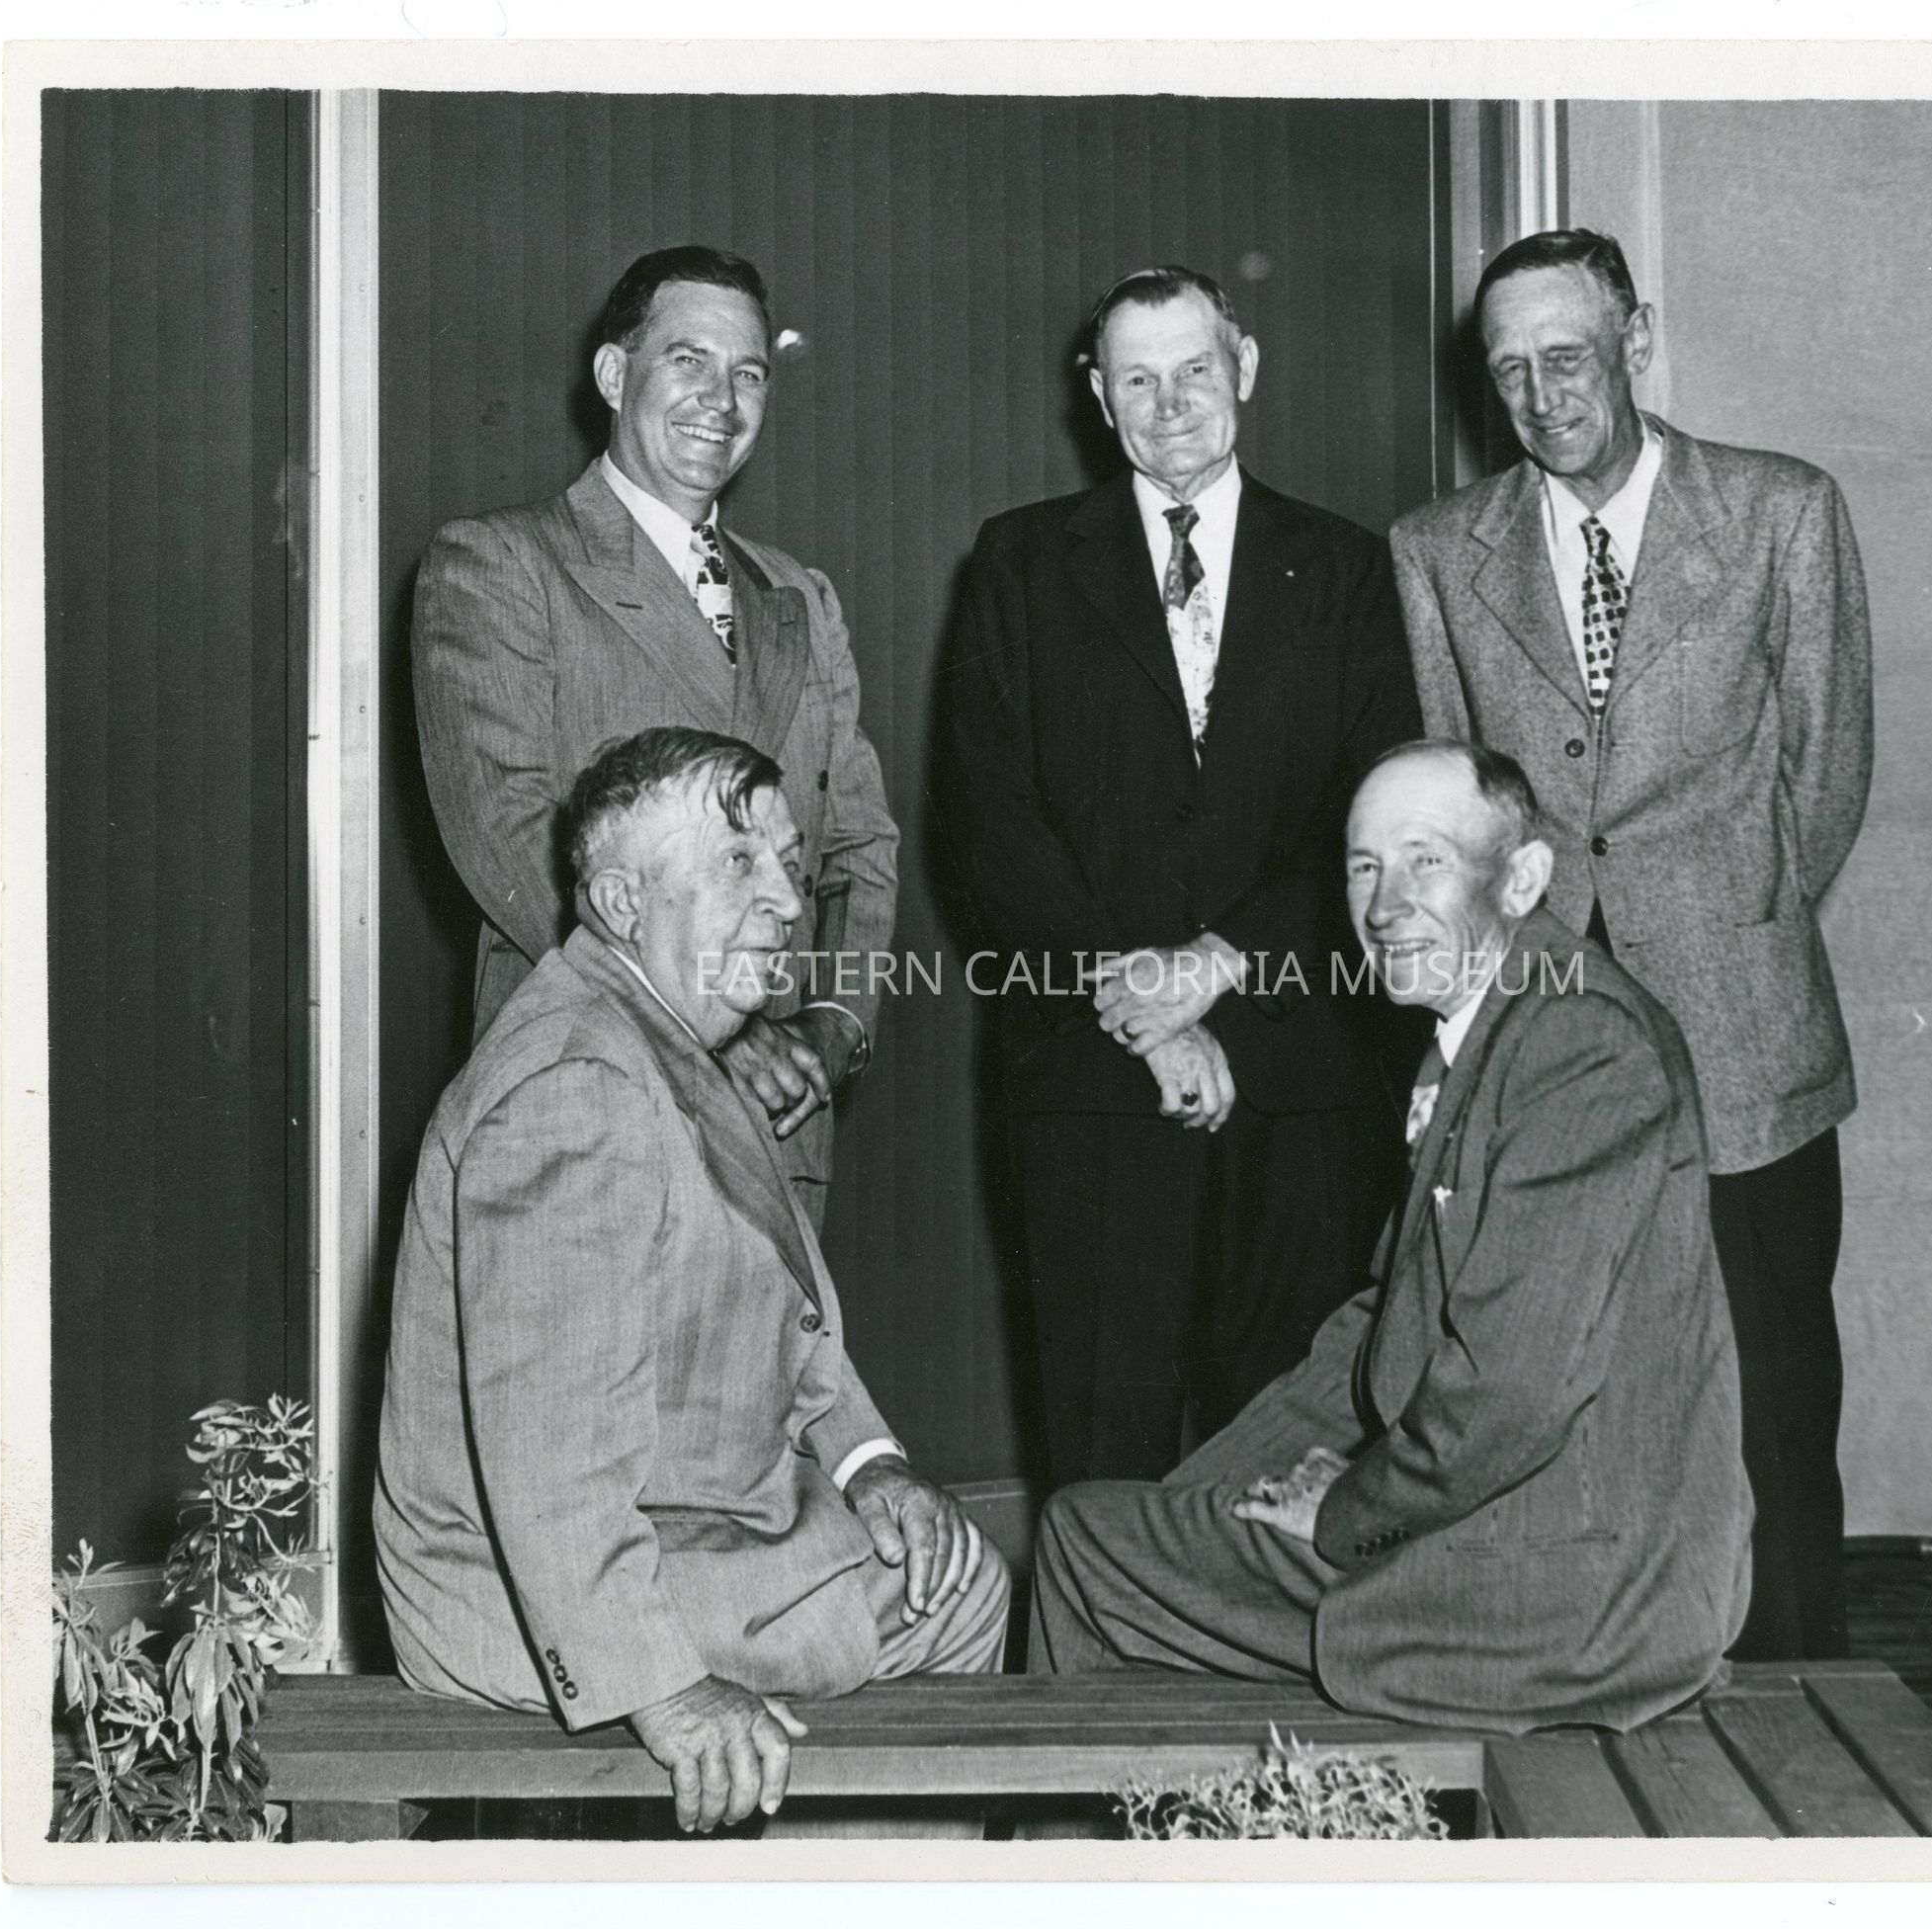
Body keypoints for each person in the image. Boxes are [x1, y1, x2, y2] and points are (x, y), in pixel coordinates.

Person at [1028, 741, 1750, 1732]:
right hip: (1519, 1537)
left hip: (1568, 1594)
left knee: (1080, 1543)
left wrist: (1343, 1513)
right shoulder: (1493, 1020)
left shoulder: (1581, 1046)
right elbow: (1382, 1324)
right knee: (1143, 1527)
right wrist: (1211, 1492)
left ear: (1523, 877)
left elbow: (1509, 1390)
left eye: (1426, 860)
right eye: (1364, 866)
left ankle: (1091, 1840)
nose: (1383, 905)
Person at [375, 728, 1006, 1834]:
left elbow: (786, 1317)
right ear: (623, 902)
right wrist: (664, 1691)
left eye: (789, 865)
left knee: (948, 1566)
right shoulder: (576, 1085)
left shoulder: (664, 1040)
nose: (788, 903)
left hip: (670, 1523)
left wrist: (873, 1467)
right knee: (949, 1598)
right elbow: (551, 1458)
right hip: (517, 1591)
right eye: (738, 863)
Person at [1389, 229, 1873, 1661]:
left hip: (1744, 1028)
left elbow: (1828, 774)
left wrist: (1731, 920)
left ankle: (1798, 1685)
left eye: (1570, 358)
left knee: (1773, 1386)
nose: (1542, 398)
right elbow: (1458, 804)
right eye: (1510, 371)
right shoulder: (1437, 551)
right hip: (1551, 1039)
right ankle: (1616, 1674)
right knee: (1572, 1382)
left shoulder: (1783, 512)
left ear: (1636, 341)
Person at [936, 266, 1422, 1489]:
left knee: (1292, 1465)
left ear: (1243, 368)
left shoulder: (1350, 567)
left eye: (1195, 371)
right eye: (1138, 380)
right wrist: (1145, 1013)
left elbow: (1376, 813)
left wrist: (1217, 962)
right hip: (1094, 1074)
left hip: (1301, 1073)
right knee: (1103, 1456)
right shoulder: (1021, 563)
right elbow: (990, 823)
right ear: (1099, 398)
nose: (1170, 405)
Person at [413, 245, 897, 1219]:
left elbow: (859, 850)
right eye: (688, 359)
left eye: (749, 373)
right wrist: (717, 1025)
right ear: (612, 374)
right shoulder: (501, 564)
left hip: (777, 1128)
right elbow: (508, 838)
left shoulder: (801, 597)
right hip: (588, 1109)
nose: (722, 398)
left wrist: (831, 1028)